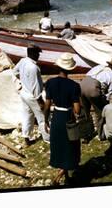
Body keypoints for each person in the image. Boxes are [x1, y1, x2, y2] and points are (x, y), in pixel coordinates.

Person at [43, 53, 81, 185]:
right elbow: (77, 110)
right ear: (70, 69)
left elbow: (47, 106)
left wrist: (46, 120)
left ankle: (65, 175)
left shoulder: (50, 83)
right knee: (70, 146)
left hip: (56, 117)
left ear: (58, 67)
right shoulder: (74, 86)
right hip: (67, 118)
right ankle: (61, 175)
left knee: (58, 145)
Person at [13, 44, 50, 145]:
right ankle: (48, 138)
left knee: (27, 116)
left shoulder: (22, 61)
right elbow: (36, 86)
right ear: (33, 53)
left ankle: (26, 137)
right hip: (33, 96)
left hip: (24, 93)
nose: (39, 56)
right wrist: (40, 101)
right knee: (42, 118)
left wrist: (24, 80)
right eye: (38, 53)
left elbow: (15, 72)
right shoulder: (34, 67)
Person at [79, 58, 112, 138]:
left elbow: (87, 75)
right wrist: (105, 103)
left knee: (84, 111)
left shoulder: (98, 67)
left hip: (82, 84)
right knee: (100, 113)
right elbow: (110, 93)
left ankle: (85, 134)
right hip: (93, 88)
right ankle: (101, 135)